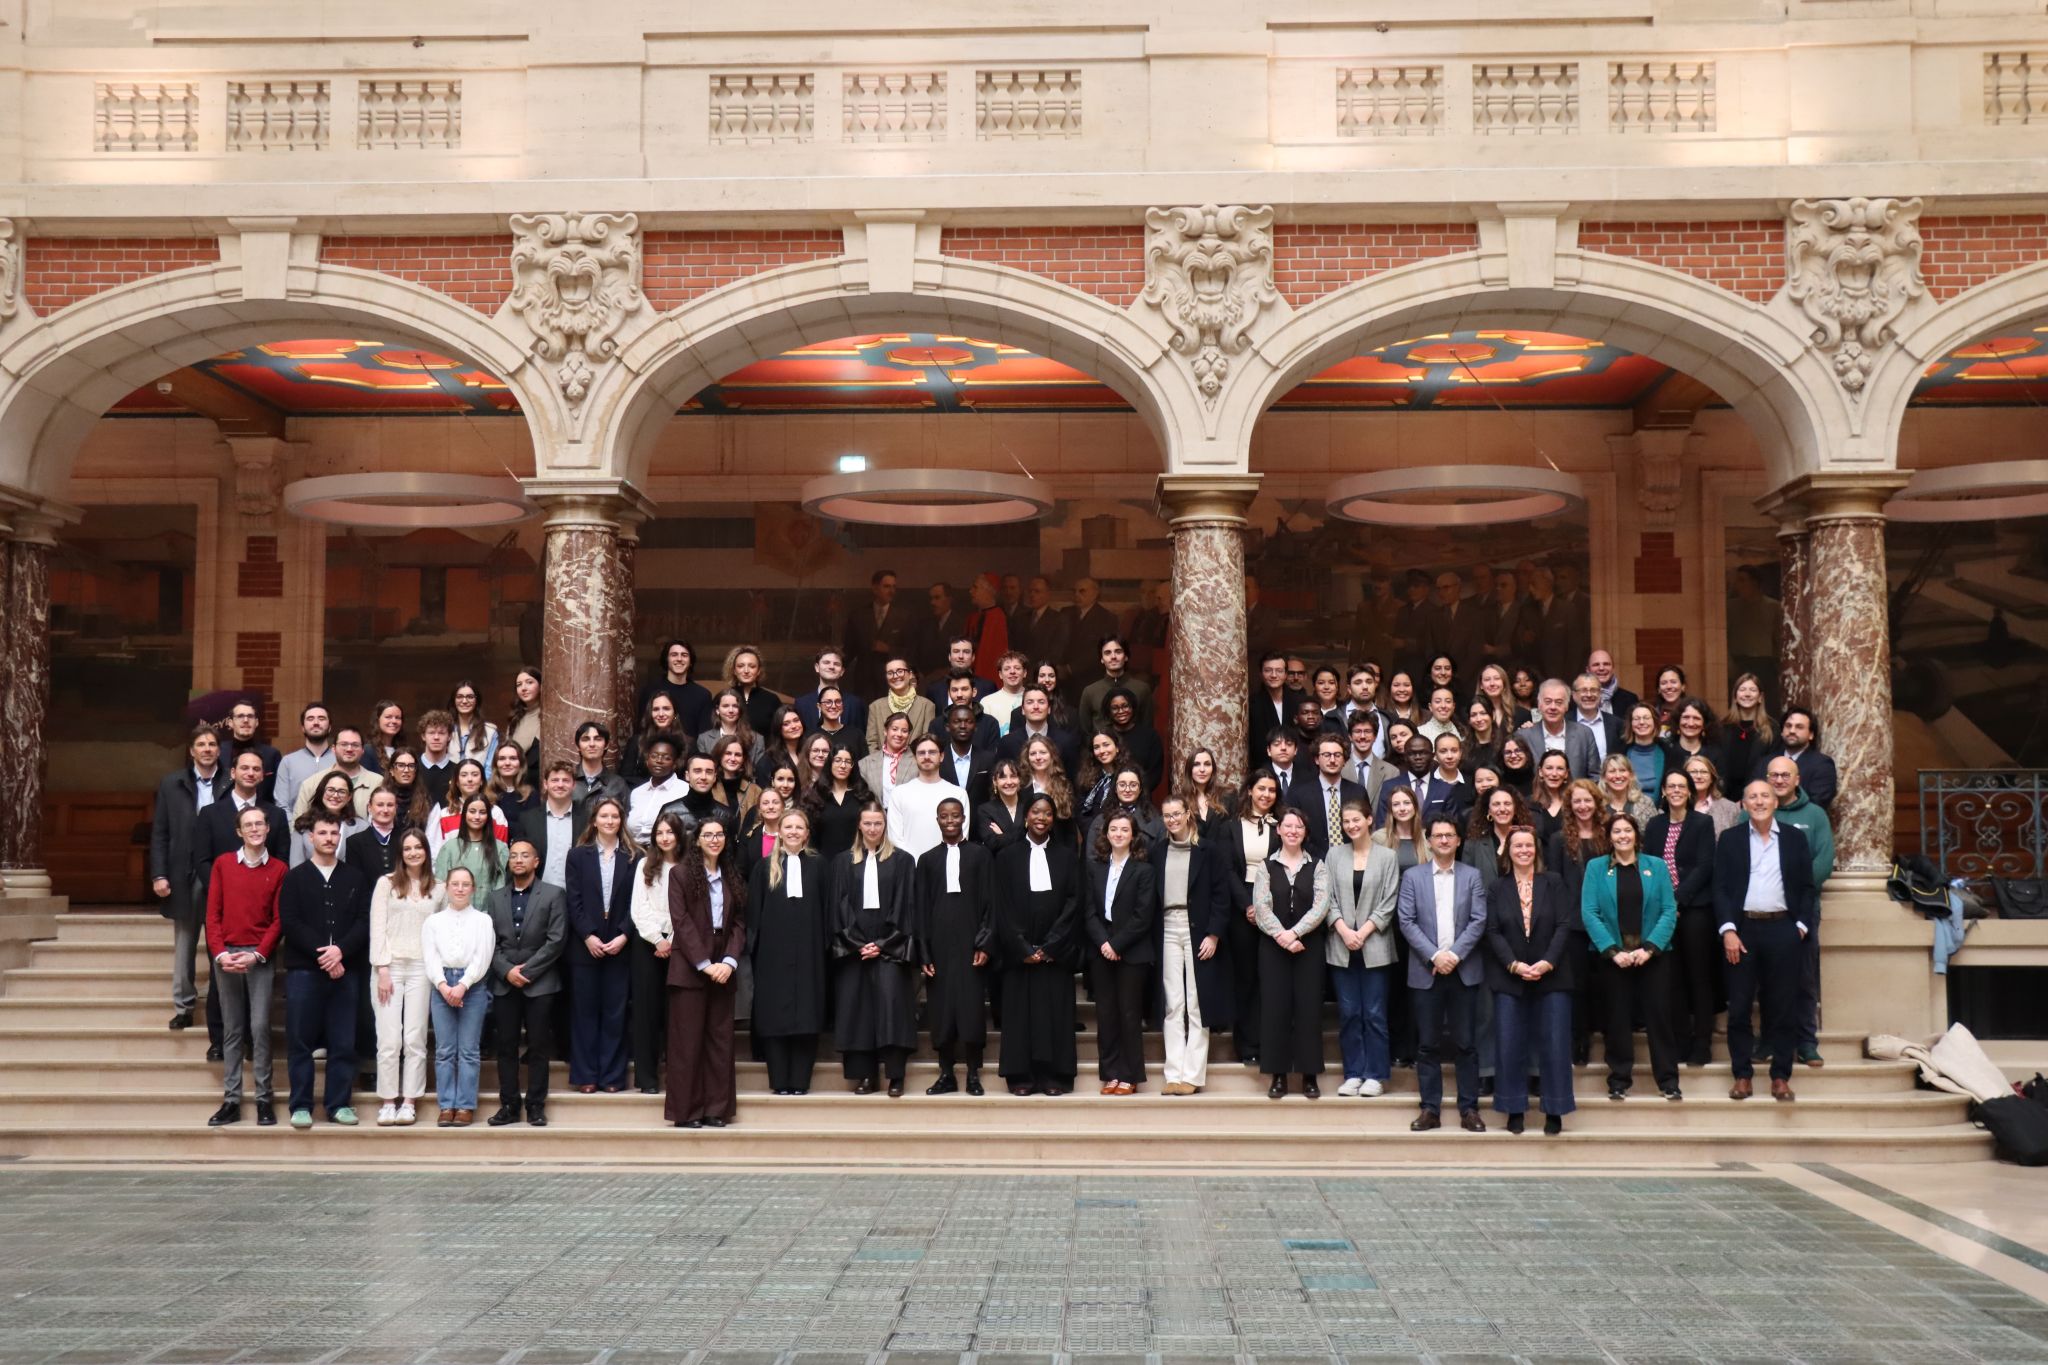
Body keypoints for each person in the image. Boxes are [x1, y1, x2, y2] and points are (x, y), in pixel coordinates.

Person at [1715, 781, 1819, 1102]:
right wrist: (1728, 930)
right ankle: (1742, 1075)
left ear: (1776, 802)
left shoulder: (1794, 838)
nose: (1759, 801)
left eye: (1765, 796)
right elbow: (1719, 887)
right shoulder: (1730, 840)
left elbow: (1806, 886)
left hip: (1783, 930)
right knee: (1740, 1007)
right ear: (1743, 805)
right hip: (1743, 930)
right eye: (1752, 797)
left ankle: (1780, 1077)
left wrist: (1799, 926)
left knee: (1783, 1007)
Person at [277, 812, 371, 1129]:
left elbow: (363, 922)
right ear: (310, 837)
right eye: (323, 833)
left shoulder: (355, 878)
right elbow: (291, 922)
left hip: (346, 970)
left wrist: (340, 951)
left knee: (343, 1041)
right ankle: (301, 1105)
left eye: (334, 833)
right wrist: (325, 954)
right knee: (301, 1041)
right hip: (305, 971)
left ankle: (338, 1104)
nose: (329, 838)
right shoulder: (295, 878)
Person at [193, 748, 289, 1060]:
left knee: (257, 982)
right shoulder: (211, 813)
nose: (250, 773)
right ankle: (219, 1039)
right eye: (244, 768)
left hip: (261, 913)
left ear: (263, 776)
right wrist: (223, 890)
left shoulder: (273, 815)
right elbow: (203, 859)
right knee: (220, 975)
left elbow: (282, 859)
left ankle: (250, 1041)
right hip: (223, 908)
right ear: (232, 772)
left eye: (256, 769)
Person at [1397, 815, 1489, 1132]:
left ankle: (1469, 1109)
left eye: (1450, 835)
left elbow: (1479, 920)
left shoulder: (1472, 876)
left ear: (1459, 840)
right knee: (1427, 1045)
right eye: (1438, 836)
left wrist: (1454, 955)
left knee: (1466, 1043)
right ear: (1430, 840)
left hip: (1463, 971)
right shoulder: (1412, 876)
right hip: (1427, 971)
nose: (1444, 841)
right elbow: (1406, 921)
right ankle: (1430, 1109)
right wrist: (1436, 955)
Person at [1582, 812, 1681, 1101]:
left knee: (1660, 1017)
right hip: (1614, 957)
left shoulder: (1656, 866)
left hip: (1653, 954)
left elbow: (1667, 909)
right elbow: (1590, 912)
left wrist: (1649, 948)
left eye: (1627, 831)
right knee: (1617, 1019)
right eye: (1617, 832)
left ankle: (1668, 1080)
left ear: (1636, 835)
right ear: (1609, 837)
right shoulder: (1596, 868)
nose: (1623, 836)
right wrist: (1613, 951)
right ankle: (1619, 1079)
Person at [1484, 826, 1575, 1135]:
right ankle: (1514, 1109)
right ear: (1508, 852)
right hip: (1511, 976)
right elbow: (1492, 930)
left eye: (1528, 845)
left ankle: (1555, 1109)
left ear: (1537, 850)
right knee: (1509, 1043)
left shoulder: (1554, 882)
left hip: (1552, 974)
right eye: (1517, 846)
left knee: (1555, 1043)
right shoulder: (1497, 887)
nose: (1523, 850)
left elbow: (1564, 924)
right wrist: (1514, 964)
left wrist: (1547, 962)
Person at [992, 794, 1081, 1095]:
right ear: (1026, 817)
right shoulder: (1007, 856)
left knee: (1054, 1015)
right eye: (1035, 812)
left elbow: (1073, 902)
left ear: (1053, 819)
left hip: (1055, 953)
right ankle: (1021, 1077)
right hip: (1020, 953)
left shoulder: (1067, 856)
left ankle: (1054, 1076)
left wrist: (1052, 945)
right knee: (1020, 1016)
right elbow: (1000, 904)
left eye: (1047, 814)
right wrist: (1021, 947)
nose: (1041, 818)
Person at [205, 804, 287, 1127]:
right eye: (248, 825)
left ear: (267, 829)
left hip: (259, 957)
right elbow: (212, 915)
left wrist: (258, 954)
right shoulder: (224, 864)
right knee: (233, 1029)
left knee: (260, 1028)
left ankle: (264, 1099)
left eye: (260, 824)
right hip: (226, 956)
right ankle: (231, 1100)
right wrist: (220, 954)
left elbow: (279, 920)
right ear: (239, 832)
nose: (254, 829)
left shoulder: (279, 869)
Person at [832, 803, 919, 1096]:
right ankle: (865, 1076)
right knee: (858, 1013)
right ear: (859, 825)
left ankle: (895, 1075)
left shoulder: (903, 861)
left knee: (892, 1010)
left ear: (885, 825)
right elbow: (839, 906)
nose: (872, 829)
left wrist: (882, 944)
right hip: (854, 948)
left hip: (891, 946)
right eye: (867, 823)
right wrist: (858, 944)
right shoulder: (843, 862)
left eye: (877, 824)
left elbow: (906, 905)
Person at [666, 815, 746, 1127]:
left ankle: (716, 1109)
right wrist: (704, 963)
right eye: (708, 834)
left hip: (723, 963)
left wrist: (728, 962)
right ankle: (687, 1112)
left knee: (720, 1041)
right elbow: (681, 922)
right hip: (690, 965)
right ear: (697, 840)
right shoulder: (681, 874)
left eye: (719, 834)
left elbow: (739, 923)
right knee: (688, 1043)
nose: (714, 839)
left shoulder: (732, 875)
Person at [1152, 796, 1232, 1096]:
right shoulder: (1158, 852)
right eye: (1166, 815)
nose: (1172, 820)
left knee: (1197, 1003)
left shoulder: (1208, 850)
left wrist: (1213, 935)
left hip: (1198, 930)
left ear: (1188, 814)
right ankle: (1173, 1074)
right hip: (1167, 929)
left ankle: (1192, 1075)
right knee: (1173, 1004)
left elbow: (1221, 895)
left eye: (1176, 814)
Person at [152, 723, 229, 1032]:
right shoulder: (173, 784)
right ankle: (184, 1006)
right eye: (202, 745)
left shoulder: (230, 781)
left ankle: (219, 1005)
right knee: (185, 943)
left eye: (212, 744)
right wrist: (159, 873)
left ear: (219, 750)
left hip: (218, 870)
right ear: (192, 751)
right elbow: (160, 832)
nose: (207, 749)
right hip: (182, 872)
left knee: (218, 942)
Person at [749, 808, 830, 1096]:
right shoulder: (762, 868)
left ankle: (800, 1081)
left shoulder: (820, 867)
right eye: (788, 827)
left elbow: (828, 910)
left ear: (807, 833)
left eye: (799, 827)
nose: (794, 832)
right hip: (773, 953)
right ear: (779, 832)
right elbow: (754, 917)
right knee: (775, 1014)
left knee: (807, 1011)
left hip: (810, 952)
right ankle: (779, 1080)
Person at [916, 798, 994, 1095]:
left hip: (971, 943)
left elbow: (990, 903)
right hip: (938, 946)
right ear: (937, 820)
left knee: (972, 1008)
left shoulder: (980, 855)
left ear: (964, 818)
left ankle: (973, 1073)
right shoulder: (927, 860)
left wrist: (985, 942)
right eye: (944, 816)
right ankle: (946, 1073)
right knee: (942, 1010)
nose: (950, 820)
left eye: (955, 815)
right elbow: (921, 907)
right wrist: (923, 950)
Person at [1250, 809, 1328, 1100]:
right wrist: (1282, 937)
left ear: (1305, 832)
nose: (1293, 831)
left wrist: (1295, 934)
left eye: (1299, 826)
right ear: (1279, 831)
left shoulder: (1317, 865)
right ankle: (1278, 1075)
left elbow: (1321, 906)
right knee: (1275, 1009)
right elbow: (1261, 906)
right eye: (1288, 826)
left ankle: (1309, 1075)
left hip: (1309, 946)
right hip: (1273, 947)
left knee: (1308, 1009)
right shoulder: (1265, 866)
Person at [1764, 755, 1836, 1069]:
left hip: (1802, 911)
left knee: (1804, 979)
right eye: (1773, 776)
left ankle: (1806, 1042)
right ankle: (1767, 1040)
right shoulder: (1753, 812)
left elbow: (1822, 861)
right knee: (1764, 980)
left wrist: (1792, 895)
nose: (1779, 780)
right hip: (1761, 912)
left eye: (1785, 775)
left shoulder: (1815, 815)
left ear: (1797, 780)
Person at [1323, 799, 1398, 1098]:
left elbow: (1389, 900)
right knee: (1349, 1013)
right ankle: (1353, 1073)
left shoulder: (1387, 856)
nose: (1352, 826)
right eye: (1347, 822)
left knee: (1375, 1013)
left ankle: (1376, 1075)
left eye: (1357, 820)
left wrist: (1363, 931)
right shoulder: (1334, 855)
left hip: (1375, 944)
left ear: (1369, 820)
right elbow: (1327, 897)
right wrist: (1343, 929)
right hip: (1341, 945)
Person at [1646, 769, 1720, 1068]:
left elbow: (1704, 866)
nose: (1676, 790)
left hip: (1695, 911)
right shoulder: (1654, 825)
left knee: (1699, 978)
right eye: (1671, 786)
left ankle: (1702, 1044)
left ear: (1690, 792)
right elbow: (1649, 865)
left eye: (1682, 786)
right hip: (1661, 914)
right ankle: (1680, 1042)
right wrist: (1664, 904)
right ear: (1663, 791)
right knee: (1670, 979)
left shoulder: (1703, 823)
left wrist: (1677, 900)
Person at [565, 797, 638, 1094]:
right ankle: (586, 1075)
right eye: (604, 816)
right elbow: (573, 900)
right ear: (594, 820)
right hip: (586, 946)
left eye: (615, 816)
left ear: (621, 821)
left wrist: (624, 935)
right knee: (584, 1012)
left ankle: (612, 1076)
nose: (609, 821)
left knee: (615, 1013)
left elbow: (638, 903)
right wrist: (588, 935)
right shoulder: (577, 855)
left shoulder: (635, 857)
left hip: (620, 945)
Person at [369, 829, 439, 1127]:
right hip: (390, 967)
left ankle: (409, 1100)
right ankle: (387, 1100)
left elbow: (442, 930)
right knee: (389, 1038)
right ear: (401, 853)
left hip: (422, 968)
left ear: (426, 850)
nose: (413, 853)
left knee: (414, 1037)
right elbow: (377, 926)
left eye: (418, 847)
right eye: (407, 848)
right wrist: (382, 968)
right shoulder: (386, 884)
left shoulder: (439, 888)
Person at [1085, 810, 1157, 1096]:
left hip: (1132, 952)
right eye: (1113, 829)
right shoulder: (1095, 868)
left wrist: (1117, 944)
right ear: (1106, 834)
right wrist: (1104, 942)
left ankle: (1130, 1074)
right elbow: (1089, 910)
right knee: (1106, 1014)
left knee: (1129, 1013)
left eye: (1124, 830)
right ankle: (1111, 1073)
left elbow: (1143, 916)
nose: (1118, 834)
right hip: (1101, 950)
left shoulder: (1144, 870)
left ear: (1133, 835)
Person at [423, 866, 495, 1127]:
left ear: (473, 888)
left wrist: (463, 985)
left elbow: (482, 956)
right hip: (441, 984)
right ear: (447, 887)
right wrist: (443, 986)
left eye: (466, 884)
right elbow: (430, 957)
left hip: (472, 985)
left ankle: (464, 1105)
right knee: (444, 1050)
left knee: (468, 1049)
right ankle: (446, 1105)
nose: (460, 889)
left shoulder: (483, 920)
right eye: (455, 884)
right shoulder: (434, 922)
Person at [1224, 769, 1282, 1067]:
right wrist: (1248, 905)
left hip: (1274, 903)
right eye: (1261, 789)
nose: (1266, 795)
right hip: (1241, 905)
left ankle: (1270, 1042)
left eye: (1272, 790)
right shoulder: (1232, 825)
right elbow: (1228, 870)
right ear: (1249, 791)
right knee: (1245, 978)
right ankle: (1246, 1045)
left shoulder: (1283, 825)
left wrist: (1263, 907)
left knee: (1270, 977)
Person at [626, 813, 687, 1094]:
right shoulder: (644, 865)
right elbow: (639, 908)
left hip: (682, 944)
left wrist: (673, 939)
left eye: (670, 832)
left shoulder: (688, 865)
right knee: (646, 1011)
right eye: (660, 833)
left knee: (677, 1013)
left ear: (679, 835)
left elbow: (689, 909)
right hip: (647, 944)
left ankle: (677, 1077)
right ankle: (647, 1078)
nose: (664, 838)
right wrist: (657, 940)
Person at [518, 761, 587, 890]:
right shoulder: (528, 819)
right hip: (537, 896)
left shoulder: (586, 819)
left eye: (566, 780)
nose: (560, 785)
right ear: (545, 784)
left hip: (575, 895)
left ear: (573, 785)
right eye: (555, 780)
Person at [1753, 706, 1838, 808]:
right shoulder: (1765, 762)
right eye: (1788, 726)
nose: (1792, 731)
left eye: (1799, 727)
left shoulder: (1822, 764)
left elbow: (1817, 803)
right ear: (1781, 732)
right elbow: (1753, 795)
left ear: (1811, 734)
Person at [846, 571, 910, 701]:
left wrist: (889, 650)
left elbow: (912, 651)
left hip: (892, 683)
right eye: (887, 586)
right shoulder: (858, 616)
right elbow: (849, 650)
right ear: (875, 589)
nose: (891, 591)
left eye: (894, 587)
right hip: (864, 685)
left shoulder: (904, 618)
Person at [291, 725, 379, 818]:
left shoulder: (377, 783)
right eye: (344, 744)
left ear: (362, 750)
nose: (349, 749)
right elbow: (298, 825)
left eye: (355, 745)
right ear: (333, 748)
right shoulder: (312, 784)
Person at [1517, 678, 1597, 779]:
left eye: (1559, 702)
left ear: (1566, 706)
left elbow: (1595, 776)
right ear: (1539, 705)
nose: (1553, 707)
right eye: (1548, 701)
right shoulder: (1524, 736)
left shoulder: (1584, 734)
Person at [805, 745, 871, 865]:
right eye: (838, 760)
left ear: (853, 766)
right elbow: (811, 837)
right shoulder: (816, 796)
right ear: (830, 763)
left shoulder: (863, 796)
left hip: (858, 863)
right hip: (823, 864)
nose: (843, 766)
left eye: (848, 761)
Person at [435, 794, 509, 899]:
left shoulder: (500, 848)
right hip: (456, 911)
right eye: (472, 811)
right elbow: (441, 887)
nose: (477, 817)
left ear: (488, 816)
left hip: (489, 912)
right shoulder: (449, 848)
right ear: (465, 814)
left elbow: (501, 889)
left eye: (482, 812)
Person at [1078, 636, 1154, 736]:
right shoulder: (1090, 692)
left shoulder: (1142, 689)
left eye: (1118, 651)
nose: (1113, 656)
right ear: (1102, 659)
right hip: (1101, 749)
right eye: (1107, 653)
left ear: (1126, 656)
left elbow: (1147, 729)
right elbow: (1085, 733)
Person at [997, 684, 1080, 776]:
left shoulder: (1066, 741)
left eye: (1041, 702)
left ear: (1049, 709)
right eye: (1030, 702)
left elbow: (1072, 781)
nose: (1036, 706)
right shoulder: (1007, 743)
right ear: (1023, 710)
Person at [1247, 652, 1308, 772]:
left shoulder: (1299, 702)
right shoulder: (1251, 704)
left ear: (1285, 674)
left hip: (1297, 769)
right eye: (1268, 670)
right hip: (1264, 769)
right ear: (1261, 673)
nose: (1274, 675)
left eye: (1279, 671)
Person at [291, 770, 366, 867]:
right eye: (330, 790)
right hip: (309, 881)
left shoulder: (362, 827)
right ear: (322, 791)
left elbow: (363, 867)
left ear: (349, 797)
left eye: (342, 792)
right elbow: (296, 865)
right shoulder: (303, 824)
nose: (335, 795)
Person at [271, 702, 335, 812]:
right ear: (303, 728)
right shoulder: (288, 762)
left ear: (329, 727)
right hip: (297, 826)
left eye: (321, 718)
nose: (316, 723)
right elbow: (281, 804)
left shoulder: (340, 760)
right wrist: (294, 827)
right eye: (310, 719)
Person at [793, 646, 869, 738]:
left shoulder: (855, 704)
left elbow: (861, 739)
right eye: (826, 663)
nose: (831, 667)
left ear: (842, 671)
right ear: (817, 667)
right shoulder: (801, 704)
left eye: (836, 664)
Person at [866, 656, 936, 752]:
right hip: (883, 765)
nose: (895, 676)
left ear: (910, 674)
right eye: (890, 673)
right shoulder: (875, 707)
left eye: (900, 671)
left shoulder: (927, 706)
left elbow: (927, 743)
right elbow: (871, 743)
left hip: (915, 765)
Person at [1720, 674, 1775, 794]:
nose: (1747, 694)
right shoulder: (1722, 728)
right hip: (1723, 796)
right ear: (1735, 697)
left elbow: (1771, 769)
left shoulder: (1772, 730)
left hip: (1757, 795)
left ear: (1760, 697)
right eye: (1742, 689)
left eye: (1753, 690)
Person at [625, 736, 687, 843]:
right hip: (634, 852)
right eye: (654, 756)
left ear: (675, 763)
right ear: (647, 760)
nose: (659, 761)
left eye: (666, 758)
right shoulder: (637, 792)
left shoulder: (684, 791)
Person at [1064, 577, 1119, 692]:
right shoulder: (1066, 613)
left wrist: (1070, 668)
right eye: (1075, 591)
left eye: (1082, 591)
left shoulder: (1107, 619)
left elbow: (1100, 650)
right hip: (1064, 678)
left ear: (1095, 593)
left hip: (1091, 678)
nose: (1077, 595)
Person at [622, 694, 688, 786]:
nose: (661, 714)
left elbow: (691, 778)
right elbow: (625, 777)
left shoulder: (688, 743)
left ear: (675, 714)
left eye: (666, 708)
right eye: (656, 709)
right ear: (650, 714)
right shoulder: (636, 741)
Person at [1012, 575, 1070, 670]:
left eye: (1037, 591)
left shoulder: (1059, 619)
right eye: (1030, 591)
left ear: (1048, 594)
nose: (1032, 595)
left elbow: (1057, 652)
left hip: (1043, 673)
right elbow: (1015, 647)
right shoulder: (1021, 618)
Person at [346, 787, 404, 882]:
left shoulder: (406, 838)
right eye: (380, 805)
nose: (385, 810)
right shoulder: (355, 842)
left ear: (396, 808)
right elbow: (355, 882)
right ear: (369, 807)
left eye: (390, 805)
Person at [220, 698, 281, 787]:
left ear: (256, 723)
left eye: (250, 716)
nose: (245, 720)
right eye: (240, 716)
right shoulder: (218, 751)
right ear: (230, 723)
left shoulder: (271, 754)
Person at [571, 722, 630, 810]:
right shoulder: (566, 780)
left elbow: (625, 820)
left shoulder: (618, 784)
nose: (592, 744)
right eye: (586, 739)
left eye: (598, 739)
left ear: (606, 745)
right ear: (578, 746)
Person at [860, 711, 917, 802]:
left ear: (908, 735)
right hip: (877, 814)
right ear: (886, 731)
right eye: (894, 729)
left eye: (904, 731)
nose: (899, 734)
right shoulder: (865, 763)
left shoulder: (917, 761)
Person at [1569, 673, 1621, 769]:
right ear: (1574, 695)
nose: (1589, 695)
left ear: (1600, 694)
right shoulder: (1564, 722)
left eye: (1594, 690)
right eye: (1584, 690)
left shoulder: (1617, 724)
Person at [974, 758, 1026, 851]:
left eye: (1013, 776)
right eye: (1003, 777)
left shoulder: (1029, 806)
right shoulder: (985, 810)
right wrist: (1024, 833)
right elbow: (992, 843)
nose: (1009, 782)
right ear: (995, 781)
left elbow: (1036, 839)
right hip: (999, 863)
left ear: (1019, 780)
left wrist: (1002, 836)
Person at [1686, 754, 1744, 838]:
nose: (1698, 776)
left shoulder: (1730, 808)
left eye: (1704, 772)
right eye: (1693, 772)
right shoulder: (1675, 806)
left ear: (1712, 778)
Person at [486, 740, 537, 829]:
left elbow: (531, 829)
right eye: (502, 759)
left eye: (513, 758)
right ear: (495, 764)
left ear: (521, 763)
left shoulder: (530, 795)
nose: (507, 763)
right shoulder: (486, 793)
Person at [448, 679, 500, 762]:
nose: (464, 701)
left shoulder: (490, 731)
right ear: (453, 700)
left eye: (470, 697)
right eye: (459, 697)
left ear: (477, 700)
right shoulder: (445, 729)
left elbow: (490, 767)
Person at [981, 650, 1030, 735]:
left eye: (1017, 668)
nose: (1012, 672)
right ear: (1000, 674)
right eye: (1007, 669)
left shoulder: (1034, 700)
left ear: (1025, 673)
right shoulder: (987, 702)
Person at [416, 711, 459, 807]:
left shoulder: (458, 771)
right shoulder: (412, 768)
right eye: (431, 732)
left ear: (449, 736)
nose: (436, 737)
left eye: (441, 733)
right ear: (423, 736)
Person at [506, 667, 543, 777]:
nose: (523, 688)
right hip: (517, 778)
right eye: (519, 685)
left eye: (529, 682)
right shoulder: (515, 718)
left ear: (541, 686)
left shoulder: (549, 716)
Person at [1620, 703, 1665, 794]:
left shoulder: (1667, 752)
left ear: (1655, 723)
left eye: (1646, 718)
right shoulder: (1621, 753)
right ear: (1631, 724)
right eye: (1636, 719)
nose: (1641, 722)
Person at [1586, 649, 1639, 719]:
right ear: (1588, 670)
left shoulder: (1630, 699)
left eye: (1606, 664)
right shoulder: (1577, 699)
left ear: (1613, 668)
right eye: (1596, 665)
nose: (1601, 668)